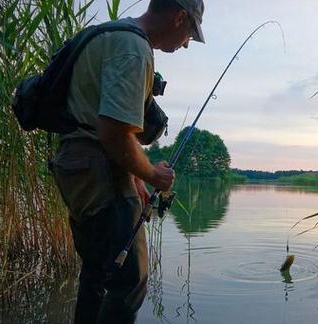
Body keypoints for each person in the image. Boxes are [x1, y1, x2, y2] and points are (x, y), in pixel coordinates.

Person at [51, 1, 205, 323]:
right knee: (130, 282)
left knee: (98, 272)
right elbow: (112, 133)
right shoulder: (134, 48)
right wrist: (153, 174)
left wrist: (135, 178)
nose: (187, 42)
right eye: (190, 32)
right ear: (179, 17)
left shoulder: (109, 34)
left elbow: (107, 121)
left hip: (78, 166)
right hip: (98, 170)